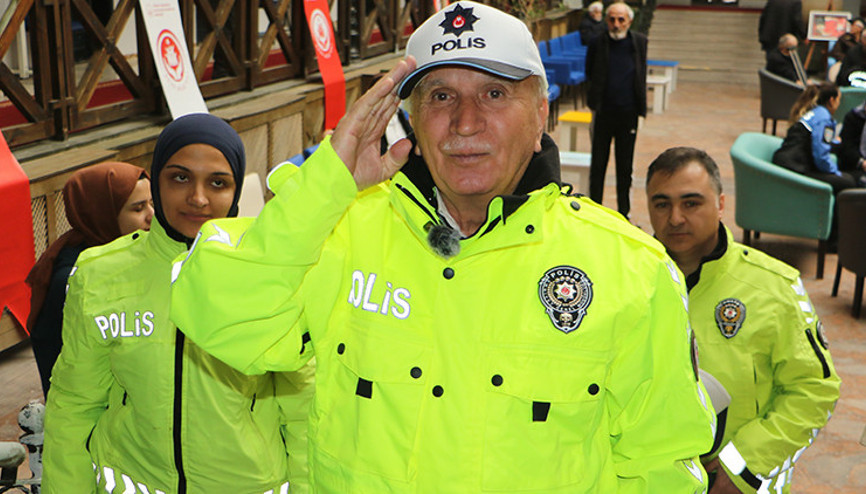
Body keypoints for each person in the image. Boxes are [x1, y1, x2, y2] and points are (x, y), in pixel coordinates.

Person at [171, 2, 715, 492]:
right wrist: (326, 186)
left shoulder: (630, 270)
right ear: (410, 117)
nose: (465, 121)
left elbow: (661, 464)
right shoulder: (337, 232)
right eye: (441, 96)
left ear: (540, 113)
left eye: (494, 94)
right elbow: (224, 322)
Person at [42, 113, 311, 494]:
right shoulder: (100, 274)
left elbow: (303, 415)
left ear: (235, 191)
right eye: (180, 177)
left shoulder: (271, 276)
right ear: (156, 182)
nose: (198, 198)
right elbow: (73, 407)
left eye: (218, 183)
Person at [645, 146, 841, 494]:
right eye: (662, 204)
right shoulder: (629, 280)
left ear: (721, 204)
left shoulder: (774, 286)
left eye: (691, 203)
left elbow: (814, 390)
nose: (675, 217)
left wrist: (742, 468)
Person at [26, 162, 153, 397]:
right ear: (104, 213)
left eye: (152, 204)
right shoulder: (74, 278)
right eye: (138, 209)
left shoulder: (137, 253)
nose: (152, 217)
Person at [586, 1, 647, 219]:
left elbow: (640, 74)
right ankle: (594, 210)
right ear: (606, 20)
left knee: (625, 166)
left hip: (628, 113)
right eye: (612, 19)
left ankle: (624, 213)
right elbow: (590, 72)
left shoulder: (639, 42)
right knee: (598, 164)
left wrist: (641, 106)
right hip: (604, 112)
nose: (616, 24)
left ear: (629, 21)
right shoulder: (597, 43)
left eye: (621, 19)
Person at [773, 82, 864, 196]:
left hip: (787, 161)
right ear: (832, 100)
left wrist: (835, 143)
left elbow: (818, 141)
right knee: (847, 181)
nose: (839, 103)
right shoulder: (825, 119)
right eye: (839, 99)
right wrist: (835, 172)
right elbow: (820, 155)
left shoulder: (815, 112)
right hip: (795, 168)